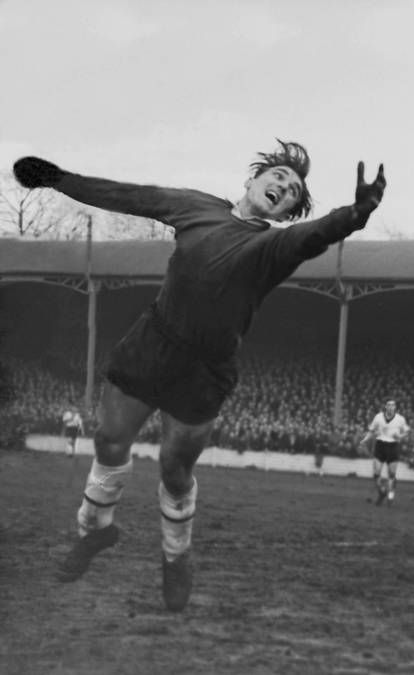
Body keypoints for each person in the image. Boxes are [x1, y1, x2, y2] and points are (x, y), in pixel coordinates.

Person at [12, 141, 386, 611]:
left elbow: (314, 236)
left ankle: (175, 558)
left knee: (174, 469)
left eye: (293, 191)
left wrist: (355, 214)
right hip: (153, 344)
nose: (283, 187)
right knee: (108, 441)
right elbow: (131, 196)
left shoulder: (273, 245)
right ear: (253, 179)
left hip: (204, 371)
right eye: (278, 176)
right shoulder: (196, 207)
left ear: (289, 211)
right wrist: (57, 178)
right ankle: (95, 532)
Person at [359, 398, 410, 506]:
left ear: (395, 407)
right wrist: (365, 440)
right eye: (388, 405)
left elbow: (407, 431)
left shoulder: (400, 419)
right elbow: (371, 431)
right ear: (385, 406)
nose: (390, 407)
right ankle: (382, 492)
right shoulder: (378, 417)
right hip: (380, 445)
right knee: (376, 473)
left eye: (393, 405)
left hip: (393, 446)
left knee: (391, 474)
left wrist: (400, 436)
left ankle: (390, 495)